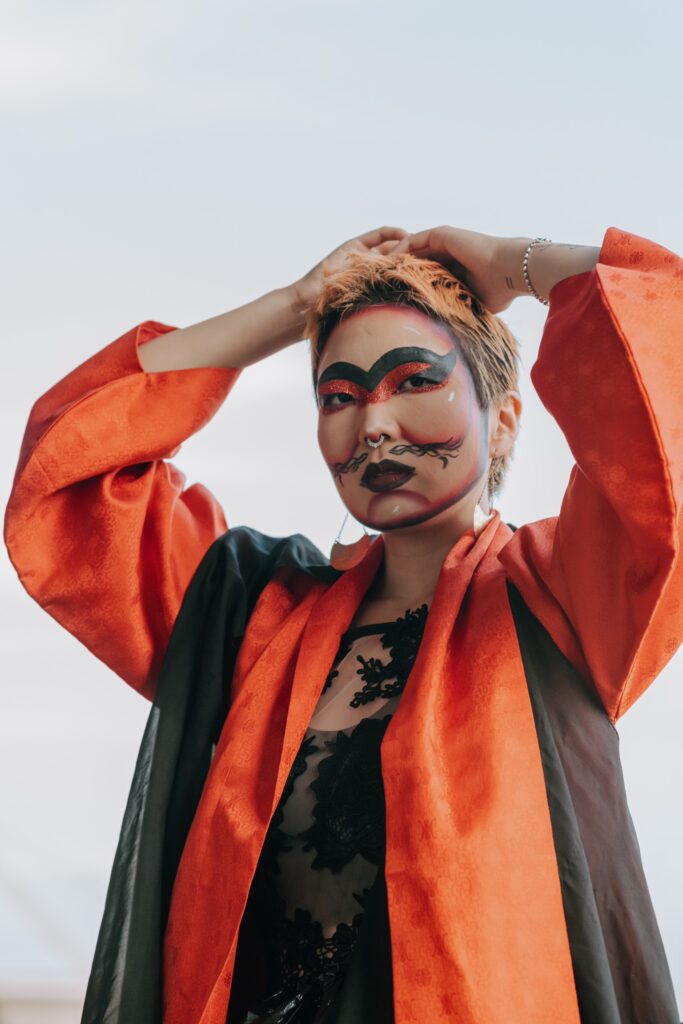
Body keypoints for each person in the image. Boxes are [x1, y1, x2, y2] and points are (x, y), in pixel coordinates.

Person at [4, 224, 682, 1024]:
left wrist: (514, 267)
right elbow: (65, 472)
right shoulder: (250, 614)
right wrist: (293, 308)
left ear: (501, 421)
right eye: (339, 396)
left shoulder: (561, 597)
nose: (373, 426)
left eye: (412, 381)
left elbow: (662, 349)